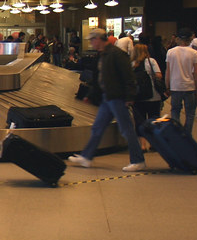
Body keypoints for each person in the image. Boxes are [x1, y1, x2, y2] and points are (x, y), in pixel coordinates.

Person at [68, 28, 147, 172]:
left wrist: (129, 97)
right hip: (108, 97)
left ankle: (138, 160)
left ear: (99, 39)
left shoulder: (116, 54)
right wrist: (91, 95)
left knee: (127, 129)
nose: (91, 43)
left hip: (117, 97)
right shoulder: (103, 55)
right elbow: (100, 78)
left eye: (92, 40)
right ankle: (86, 157)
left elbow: (129, 77)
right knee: (98, 128)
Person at [167, 28, 197, 136]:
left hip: (175, 86)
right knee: (190, 113)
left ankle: (176, 133)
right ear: (190, 39)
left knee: (175, 110)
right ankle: (187, 135)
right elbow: (196, 72)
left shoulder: (171, 52)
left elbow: (168, 71)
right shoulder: (194, 53)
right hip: (189, 86)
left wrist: (167, 86)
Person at [131, 44, 164, 152]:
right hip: (153, 96)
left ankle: (142, 145)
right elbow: (159, 75)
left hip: (138, 97)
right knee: (154, 120)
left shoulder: (132, 64)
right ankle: (154, 144)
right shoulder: (151, 61)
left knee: (139, 121)